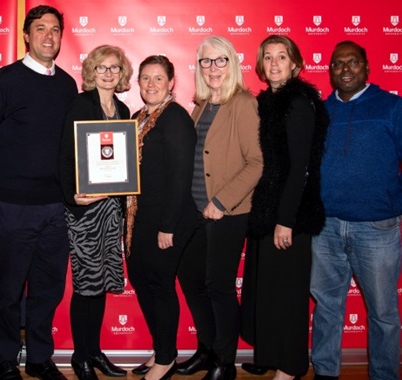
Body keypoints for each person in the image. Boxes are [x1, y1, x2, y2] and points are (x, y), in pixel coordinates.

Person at [0, 5, 78, 380]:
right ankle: (4, 360)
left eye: (54, 30)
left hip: (57, 208)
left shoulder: (68, 85)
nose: (48, 36)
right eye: (40, 29)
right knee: (7, 289)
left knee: (47, 290)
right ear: (26, 35)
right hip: (11, 207)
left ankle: (38, 358)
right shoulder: (4, 82)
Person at [310, 40, 402, 380]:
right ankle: (324, 372)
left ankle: (385, 375)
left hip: (376, 229)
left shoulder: (392, 107)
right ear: (330, 70)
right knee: (327, 307)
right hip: (326, 228)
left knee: (383, 312)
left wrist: (394, 202)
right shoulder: (320, 111)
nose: (345, 69)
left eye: (352, 63)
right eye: (338, 64)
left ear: (366, 67)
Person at [239, 35, 328, 380]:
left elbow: (300, 168)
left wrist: (285, 220)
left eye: (282, 57)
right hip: (266, 210)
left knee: (287, 293)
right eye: (269, 57)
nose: (274, 63)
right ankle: (269, 354)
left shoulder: (299, 103)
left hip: (288, 215)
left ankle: (289, 366)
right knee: (267, 290)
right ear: (261, 65)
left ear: (295, 64)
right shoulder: (268, 102)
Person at [176, 36, 263, 380]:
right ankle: (207, 349)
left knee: (219, 286)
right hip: (196, 213)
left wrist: (221, 201)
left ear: (232, 63)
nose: (213, 68)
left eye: (220, 60)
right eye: (206, 62)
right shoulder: (200, 105)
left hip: (227, 213)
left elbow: (256, 162)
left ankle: (225, 362)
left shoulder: (242, 103)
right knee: (192, 281)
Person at [59, 45, 132, 380]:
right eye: (101, 67)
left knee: (101, 283)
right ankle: (81, 357)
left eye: (114, 68)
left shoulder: (123, 108)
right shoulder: (80, 103)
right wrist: (74, 196)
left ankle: (95, 351)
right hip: (85, 209)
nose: (107, 73)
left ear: (121, 73)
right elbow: (64, 156)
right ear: (91, 71)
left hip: (110, 210)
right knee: (87, 284)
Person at [126, 55, 197, 380]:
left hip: (167, 220)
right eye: (145, 78)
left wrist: (168, 227)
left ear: (171, 83)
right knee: (142, 282)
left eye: (158, 78)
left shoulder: (176, 119)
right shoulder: (137, 116)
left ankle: (166, 358)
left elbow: (181, 177)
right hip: (139, 218)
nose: (151, 85)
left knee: (160, 286)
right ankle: (161, 348)